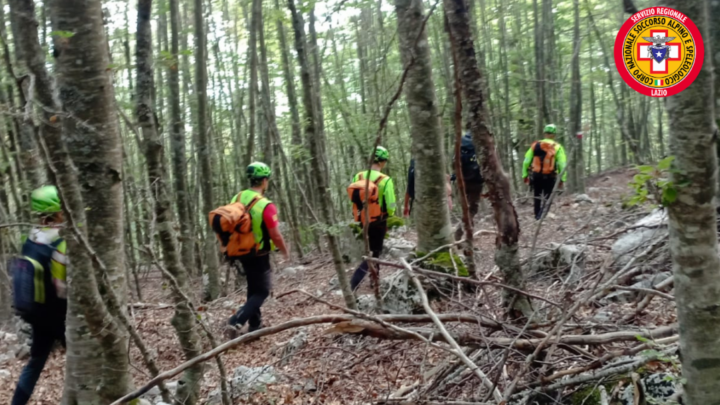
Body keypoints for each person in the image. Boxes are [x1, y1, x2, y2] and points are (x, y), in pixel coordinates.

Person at [12, 186, 67, 405]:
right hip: (58, 315)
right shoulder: (60, 243)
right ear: (58, 212)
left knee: (35, 362)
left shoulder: (31, 238)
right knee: (89, 355)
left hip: (36, 313)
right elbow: (62, 287)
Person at [225, 162, 289, 338]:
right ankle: (236, 321)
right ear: (264, 181)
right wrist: (285, 251)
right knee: (262, 291)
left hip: (239, 250)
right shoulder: (265, 205)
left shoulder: (236, 198)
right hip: (258, 252)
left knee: (253, 288)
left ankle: (255, 325)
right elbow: (275, 235)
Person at [350, 146, 396, 291]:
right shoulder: (386, 180)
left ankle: (374, 280)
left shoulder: (358, 177)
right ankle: (354, 283)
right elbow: (391, 203)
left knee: (370, 249)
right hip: (379, 220)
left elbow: (353, 198)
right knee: (374, 252)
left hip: (362, 219)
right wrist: (391, 214)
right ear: (383, 162)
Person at [522, 124, 567, 220]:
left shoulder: (535, 145)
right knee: (548, 197)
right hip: (550, 176)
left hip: (536, 175)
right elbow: (562, 164)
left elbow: (526, 161)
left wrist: (525, 175)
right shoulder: (557, 147)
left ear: (544, 133)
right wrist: (562, 179)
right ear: (554, 135)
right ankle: (542, 216)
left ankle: (537, 217)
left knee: (537, 196)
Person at [451, 133, 484, 240]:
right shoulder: (479, 149)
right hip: (476, 183)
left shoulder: (459, 149)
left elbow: (454, 165)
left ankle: (465, 232)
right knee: (472, 209)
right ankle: (461, 232)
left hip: (461, 183)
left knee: (466, 209)